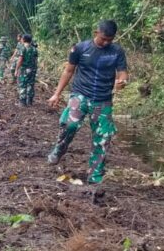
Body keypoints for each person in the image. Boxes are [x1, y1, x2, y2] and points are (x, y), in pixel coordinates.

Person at [46, 20, 128, 201]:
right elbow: (68, 71)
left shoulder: (117, 52)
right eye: (103, 39)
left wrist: (122, 82)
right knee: (70, 125)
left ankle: (95, 176)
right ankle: (59, 149)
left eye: (110, 39)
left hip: (103, 100)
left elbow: (122, 72)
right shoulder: (80, 49)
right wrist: (56, 94)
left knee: (103, 138)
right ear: (95, 32)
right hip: (80, 95)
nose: (106, 42)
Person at [13, 34, 38, 106]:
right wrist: (35, 69)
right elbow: (36, 60)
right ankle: (30, 102)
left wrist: (16, 69)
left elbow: (20, 60)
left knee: (22, 84)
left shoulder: (23, 48)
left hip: (24, 69)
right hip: (32, 69)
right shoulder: (34, 49)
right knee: (31, 85)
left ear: (24, 40)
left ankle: (22, 102)